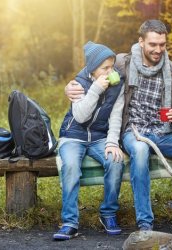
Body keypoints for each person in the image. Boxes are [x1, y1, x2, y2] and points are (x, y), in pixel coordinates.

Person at [64, 20, 172, 231]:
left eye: (162, 44)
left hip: (164, 131)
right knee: (140, 151)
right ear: (141, 42)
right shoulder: (123, 62)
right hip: (134, 131)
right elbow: (93, 67)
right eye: (152, 44)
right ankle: (145, 223)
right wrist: (71, 86)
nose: (158, 49)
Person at [53, 41, 125, 240]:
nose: (110, 71)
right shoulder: (78, 83)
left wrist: (112, 142)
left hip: (100, 137)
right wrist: (95, 90)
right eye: (105, 68)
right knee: (71, 166)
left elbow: (116, 116)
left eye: (112, 67)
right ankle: (70, 222)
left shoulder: (117, 85)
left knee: (116, 161)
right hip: (73, 136)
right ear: (93, 69)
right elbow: (81, 117)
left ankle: (108, 213)